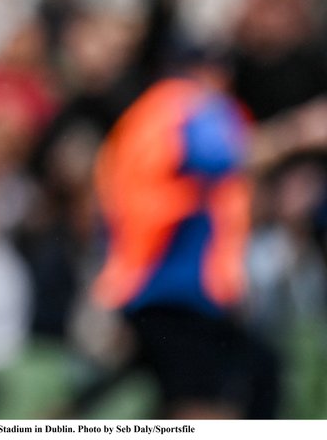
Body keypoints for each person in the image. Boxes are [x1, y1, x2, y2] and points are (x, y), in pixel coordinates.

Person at [90, 48, 327, 418]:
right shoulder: (185, 107)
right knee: (202, 410)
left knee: (258, 370)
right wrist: (301, 129)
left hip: (162, 287)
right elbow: (231, 154)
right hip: (171, 288)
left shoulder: (150, 112)